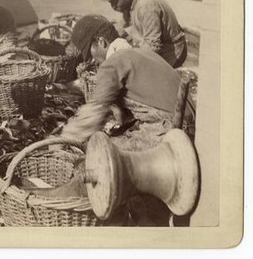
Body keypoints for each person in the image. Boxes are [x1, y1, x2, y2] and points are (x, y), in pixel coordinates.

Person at [61, 15, 195, 226]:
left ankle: (138, 219)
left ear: (101, 42)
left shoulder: (112, 64)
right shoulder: (141, 53)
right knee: (117, 143)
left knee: (104, 160)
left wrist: (65, 139)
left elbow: (94, 113)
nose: (93, 61)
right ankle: (149, 211)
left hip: (166, 128)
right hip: (186, 123)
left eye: (91, 53)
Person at [100, 0, 187, 68]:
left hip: (171, 52)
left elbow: (153, 47)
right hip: (152, 45)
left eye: (114, 2)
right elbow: (126, 28)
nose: (113, 7)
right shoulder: (133, 0)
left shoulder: (146, 6)